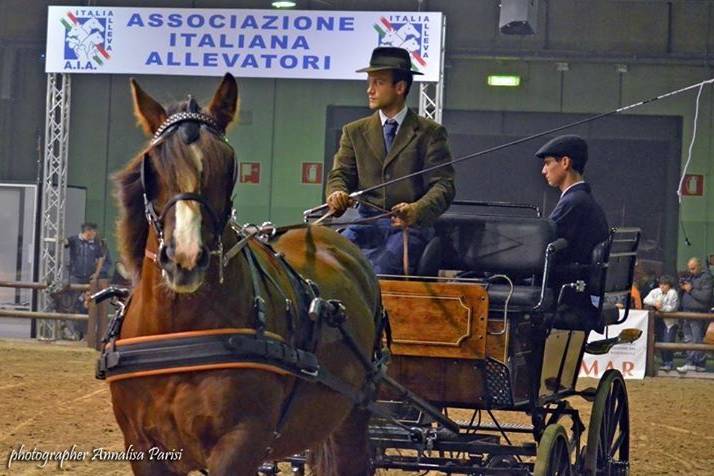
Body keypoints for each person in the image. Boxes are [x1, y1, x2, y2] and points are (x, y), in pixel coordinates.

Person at [325, 47, 455, 275]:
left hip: (409, 229)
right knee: (331, 265)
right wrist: (336, 193)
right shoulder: (354, 132)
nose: (369, 89)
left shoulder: (430, 133)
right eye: (369, 82)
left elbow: (443, 185)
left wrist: (416, 210)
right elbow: (341, 175)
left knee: (378, 270)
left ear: (400, 87)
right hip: (365, 225)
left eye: (378, 83)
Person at [535, 134, 610, 329]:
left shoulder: (574, 203)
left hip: (569, 300)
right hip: (577, 292)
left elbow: (539, 247)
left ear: (565, 162)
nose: (543, 170)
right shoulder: (581, 200)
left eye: (548, 163)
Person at [63, 222, 112, 340]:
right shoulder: (74, 240)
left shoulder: (96, 243)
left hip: (89, 278)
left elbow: (101, 258)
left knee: (88, 304)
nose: (95, 234)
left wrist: (96, 274)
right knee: (72, 303)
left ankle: (86, 334)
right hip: (75, 277)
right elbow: (64, 243)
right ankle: (71, 331)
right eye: (93, 232)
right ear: (87, 231)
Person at [676, 257, 712, 373]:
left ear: (700, 266)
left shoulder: (707, 278)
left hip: (698, 314)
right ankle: (690, 362)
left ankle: (699, 363)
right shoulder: (691, 277)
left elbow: (706, 297)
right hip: (686, 312)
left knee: (697, 339)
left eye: (693, 268)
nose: (691, 271)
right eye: (689, 268)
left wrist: (691, 290)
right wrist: (682, 288)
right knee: (688, 339)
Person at [643, 275, 679, 371]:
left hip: (670, 322)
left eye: (665, 284)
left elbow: (672, 308)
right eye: (661, 284)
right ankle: (664, 362)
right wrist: (655, 303)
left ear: (669, 285)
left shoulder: (673, 293)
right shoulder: (656, 291)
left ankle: (669, 363)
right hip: (659, 322)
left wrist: (660, 307)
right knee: (661, 341)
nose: (662, 286)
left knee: (668, 341)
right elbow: (646, 299)